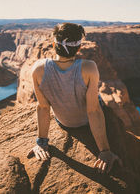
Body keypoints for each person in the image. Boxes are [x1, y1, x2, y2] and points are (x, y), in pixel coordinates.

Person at [28, 22, 122, 174]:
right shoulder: (89, 67)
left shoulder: (38, 68)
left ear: (53, 45)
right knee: (99, 99)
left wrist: (42, 143)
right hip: (85, 122)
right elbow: (93, 111)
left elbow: (43, 107)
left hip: (64, 122)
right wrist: (104, 151)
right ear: (78, 48)